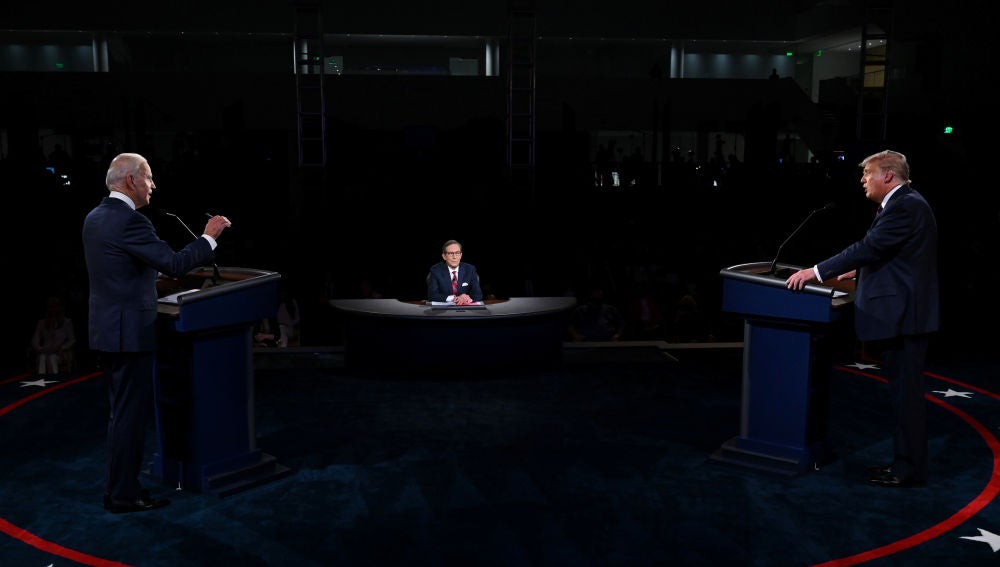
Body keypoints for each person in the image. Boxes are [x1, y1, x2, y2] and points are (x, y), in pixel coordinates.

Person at [82, 152, 232, 513]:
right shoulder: (130, 221)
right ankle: (123, 495)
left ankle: (119, 488)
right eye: (149, 177)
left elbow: (119, 270)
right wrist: (208, 238)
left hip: (108, 331)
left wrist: (150, 275)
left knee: (121, 415)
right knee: (129, 418)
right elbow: (176, 263)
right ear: (131, 180)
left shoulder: (95, 218)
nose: (153, 185)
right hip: (130, 334)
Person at [785, 149, 938, 488]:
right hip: (902, 316)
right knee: (902, 398)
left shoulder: (906, 205)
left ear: (888, 175)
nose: (862, 181)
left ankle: (909, 469)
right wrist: (861, 268)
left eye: (867, 174)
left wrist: (817, 271)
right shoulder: (905, 203)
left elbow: (868, 247)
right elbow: (889, 253)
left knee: (906, 399)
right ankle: (903, 464)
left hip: (904, 318)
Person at [427, 239, 483, 305]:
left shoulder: (470, 269)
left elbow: (478, 295)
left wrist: (464, 298)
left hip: (466, 310)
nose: (454, 257)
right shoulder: (436, 270)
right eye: (451, 253)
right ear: (444, 256)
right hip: (443, 311)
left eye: (457, 253)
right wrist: (453, 298)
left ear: (461, 255)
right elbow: (432, 295)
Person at [31, 295, 76, 374]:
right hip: (45, 351)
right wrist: (39, 349)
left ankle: (53, 380)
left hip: (59, 352)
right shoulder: (42, 323)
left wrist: (63, 347)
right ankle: (41, 379)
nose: (53, 309)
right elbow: (35, 340)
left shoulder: (66, 322)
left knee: (52, 358)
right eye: (51, 306)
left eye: (55, 306)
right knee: (42, 357)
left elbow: (72, 340)